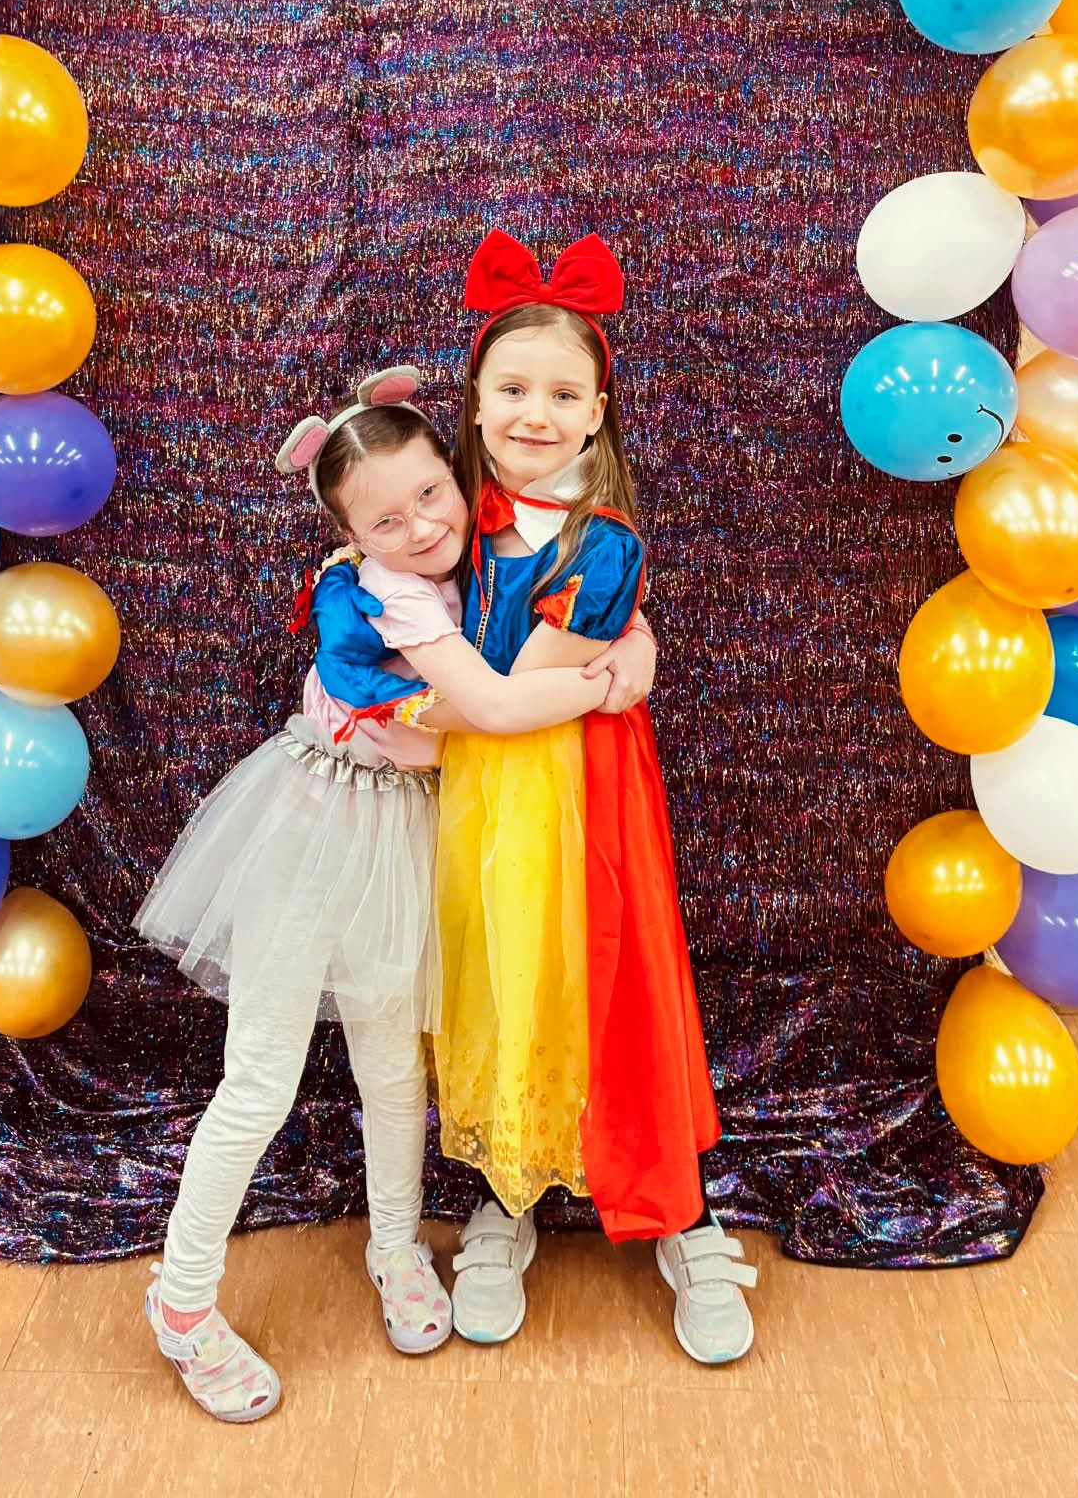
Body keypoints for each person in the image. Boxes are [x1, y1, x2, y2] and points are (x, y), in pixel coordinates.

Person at [134, 366, 653, 1420]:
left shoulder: (482, 548)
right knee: (261, 1078)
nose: (419, 526)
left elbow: (571, 601)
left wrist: (633, 634)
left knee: (392, 1063)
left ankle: (396, 1244)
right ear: (349, 534)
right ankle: (181, 1300)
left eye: (431, 493)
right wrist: (605, 683)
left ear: (457, 475)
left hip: (408, 831)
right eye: (384, 518)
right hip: (314, 828)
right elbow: (492, 707)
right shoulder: (384, 593)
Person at [313, 235, 758, 1365]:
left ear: (599, 414)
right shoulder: (442, 514)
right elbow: (387, 610)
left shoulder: (603, 544)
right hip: (475, 787)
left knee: (609, 973)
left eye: (564, 395)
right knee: (499, 975)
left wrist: (620, 658)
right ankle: (506, 1191)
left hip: (580, 782)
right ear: (473, 401)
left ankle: (679, 1208)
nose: (536, 414)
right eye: (513, 389)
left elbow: (516, 692)